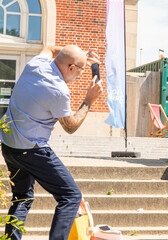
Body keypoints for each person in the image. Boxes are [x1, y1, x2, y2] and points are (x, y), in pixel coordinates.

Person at [0, 45, 103, 240]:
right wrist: (89, 100)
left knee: (21, 197)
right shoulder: (58, 90)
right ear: (71, 68)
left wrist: (82, 56)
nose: (78, 77)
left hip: (9, 144)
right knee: (71, 197)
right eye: (79, 72)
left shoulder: (35, 64)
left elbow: (49, 48)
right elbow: (70, 126)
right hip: (32, 150)